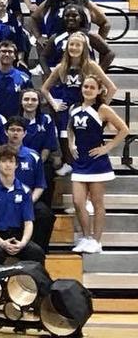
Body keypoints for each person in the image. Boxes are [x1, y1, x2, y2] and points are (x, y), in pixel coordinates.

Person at [68, 75, 129, 254]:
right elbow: (70, 128)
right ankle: (86, 237)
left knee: (97, 202)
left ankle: (97, 240)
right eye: (85, 86)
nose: (87, 90)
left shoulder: (102, 109)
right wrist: (71, 144)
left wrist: (107, 147)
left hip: (97, 162)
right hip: (80, 162)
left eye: (91, 87)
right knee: (78, 202)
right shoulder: (74, 108)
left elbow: (124, 129)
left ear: (99, 91)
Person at [0, 145, 47, 266]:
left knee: (37, 252)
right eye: (4, 161)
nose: (8, 165)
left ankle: (34, 284)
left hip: (18, 236)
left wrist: (23, 243)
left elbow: (28, 222)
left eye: (11, 161)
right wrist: (1, 243)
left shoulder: (25, 191)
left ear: (16, 165)